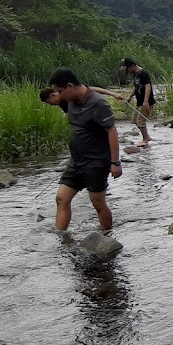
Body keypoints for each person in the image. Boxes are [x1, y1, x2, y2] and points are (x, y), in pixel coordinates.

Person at [47, 68, 122, 231]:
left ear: (69, 85)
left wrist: (115, 162)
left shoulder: (98, 104)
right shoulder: (71, 101)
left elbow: (112, 131)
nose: (59, 96)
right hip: (76, 161)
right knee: (61, 199)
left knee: (98, 203)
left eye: (60, 91)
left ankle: (106, 237)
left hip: (96, 162)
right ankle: (60, 239)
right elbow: (88, 88)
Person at [121, 58, 155, 145]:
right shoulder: (135, 74)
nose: (127, 71)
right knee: (135, 120)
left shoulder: (143, 73)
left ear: (132, 66)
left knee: (140, 121)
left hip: (146, 101)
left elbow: (148, 87)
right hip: (139, 102)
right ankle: (147, 136)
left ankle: (145, 140)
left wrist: (146, 101)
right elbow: (136, 87)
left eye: (127, 68)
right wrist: (129, 97)